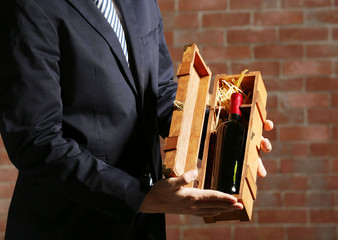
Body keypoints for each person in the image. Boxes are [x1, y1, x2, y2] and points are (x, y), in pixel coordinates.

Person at [0, 0, 273, 239]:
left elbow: (160, 92)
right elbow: (35, 140)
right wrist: (140, 196)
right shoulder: (29, 5)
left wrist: (225, 140)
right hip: (67, 225)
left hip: (144, 229)